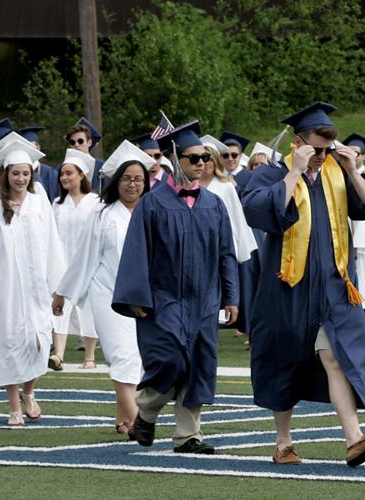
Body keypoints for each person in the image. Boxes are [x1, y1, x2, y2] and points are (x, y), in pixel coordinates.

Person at [242, 102, 365, 467]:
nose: (321, 156)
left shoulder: (336, 173)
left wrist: (353, 170)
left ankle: (355, 440)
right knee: (284, 360)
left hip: (334, 286)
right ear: (298, 142)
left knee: (337, 356)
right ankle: (283, 443)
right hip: (287, 288)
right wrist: (295, 172)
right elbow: (260, 210)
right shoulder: (272, 174)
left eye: (327, 150)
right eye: (315, 149)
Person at [112, 121, 239, 455]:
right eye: (193, 158)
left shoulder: (214, 204)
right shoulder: (153, 203)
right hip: (163, 299)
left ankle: (188, 435)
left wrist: (231, 297)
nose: (201, 164)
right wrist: (136, 296)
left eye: (205, 158)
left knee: (198, 366)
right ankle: (146, 409)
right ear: (174, 158)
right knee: (170, 361)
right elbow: (137, 251)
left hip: (205, 300)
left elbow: (226, 253)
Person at [53, 140, 153, 436]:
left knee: (139, 359)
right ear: (116, 181)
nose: (133, 184)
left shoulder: (153, 212)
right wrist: (63, 293)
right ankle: (138, 422)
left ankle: (122, 417)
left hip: (145, 299)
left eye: (138, 179)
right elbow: (84, 257)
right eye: (126, 178)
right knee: (122, 355)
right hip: (108, 294)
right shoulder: (103, 215)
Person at [0, 139, 65, 425]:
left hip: (36, 288)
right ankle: (13, 405)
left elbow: (52, 243)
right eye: (15, 173)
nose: (21, 178)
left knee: (38, 343)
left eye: (25, 173)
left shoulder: (39, 202)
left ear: (31, 175)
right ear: (6, 174)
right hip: (5, 289)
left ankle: (29, 392)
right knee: (8, 345)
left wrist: (58, 287)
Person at [200, 136, 258, 341]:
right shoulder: (189, 186)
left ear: (216, 160)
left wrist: (241, 248)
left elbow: (237, 217)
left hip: (221, 245)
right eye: (201, 158)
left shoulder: (225, 186)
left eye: (209, 158)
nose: (205, 162)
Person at [49, 148, 100, 371]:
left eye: (69, 173)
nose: (64, 177)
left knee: (88, 310)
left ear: (82, 174)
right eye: (62, 174)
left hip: (88, 264)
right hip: (62, 263)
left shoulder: (96, 202)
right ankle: (58, 355)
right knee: (59, 309)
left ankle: (89, 357)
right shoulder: (57, 203)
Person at [344, 133, 365, 309]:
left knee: (362, 278)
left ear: (363, 156)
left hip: (363, 239)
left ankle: (361, 314)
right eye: (349, 152)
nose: (352, 156)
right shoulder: (341, 176)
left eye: (356, 153)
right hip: (343, 236)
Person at [19, 126, 61, 202]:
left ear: (38, 147)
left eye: (30, 146)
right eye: (24, 146)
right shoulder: (17, 174)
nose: (27, 149)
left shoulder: (51, 173)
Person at [67, 118, 106, 193]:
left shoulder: (101, 166)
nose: (76, 145)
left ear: (89, 142)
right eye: (72, 142)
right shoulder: (64, 167)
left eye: (80, 141)